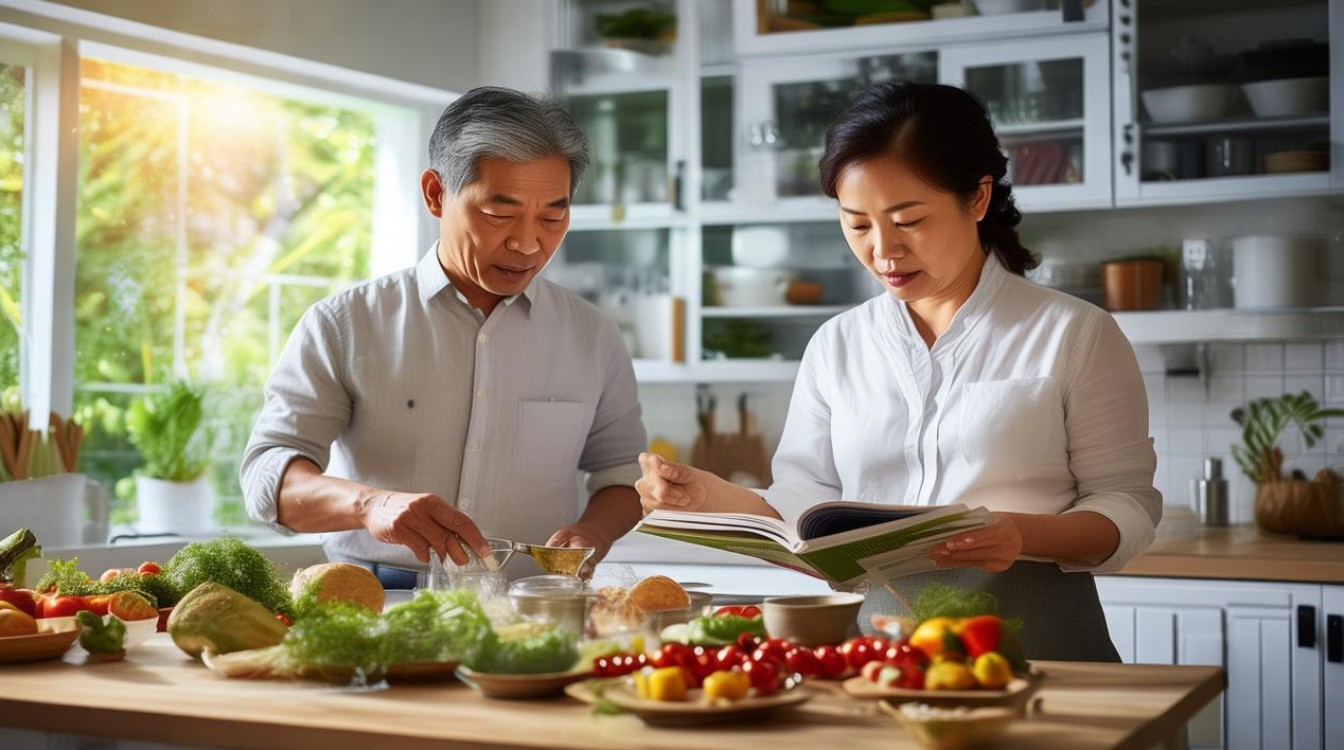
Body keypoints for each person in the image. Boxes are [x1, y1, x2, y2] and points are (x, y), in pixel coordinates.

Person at [635, 81, 1161, 661]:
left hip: (1039, 643)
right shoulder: (838, 344)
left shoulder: (1074, 333)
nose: (883, 252)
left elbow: (1126, 508)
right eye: (857, 224)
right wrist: (709, 496)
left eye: (908, 220)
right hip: (879, 652)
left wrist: (1019, 532)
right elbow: (805, 504)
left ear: (978, 198)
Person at [241, 86, 647, 588]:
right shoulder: (344, 323)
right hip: (376, 599)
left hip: (533, 604)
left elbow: (623, 475)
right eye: (501, 213)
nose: (527, 243)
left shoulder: (592, 335)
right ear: (436, 194)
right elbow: (267, 478)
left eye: (552, 216)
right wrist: (371, 504)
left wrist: (593, 532)